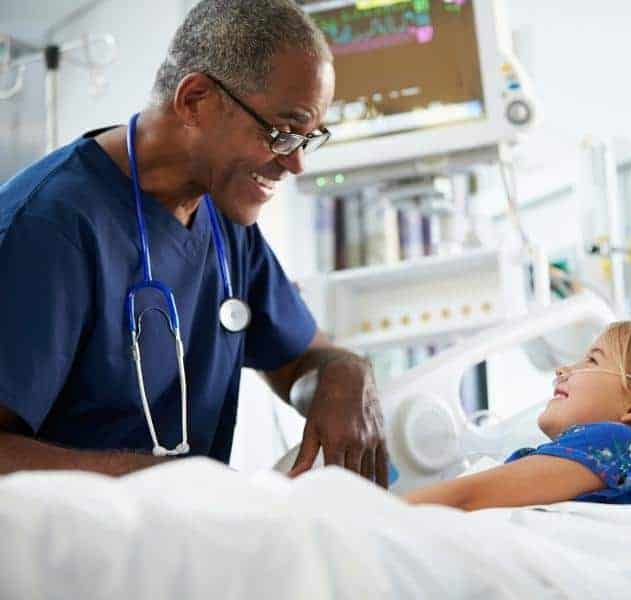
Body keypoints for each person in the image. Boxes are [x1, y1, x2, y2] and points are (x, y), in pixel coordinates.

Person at [0, 0, 389, 485]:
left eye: (308, 139)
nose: (294, 165)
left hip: (182, 540)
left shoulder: (225, 221)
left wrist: (344, 375)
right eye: (283, 133)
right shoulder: (50, 228)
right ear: (196, 101)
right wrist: (152, 482)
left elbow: (303, 359)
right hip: (67, 553)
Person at [404, 320, 631, 510]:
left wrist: (376, 513)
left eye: (592, 360)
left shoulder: (617, 446)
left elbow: (468, 497)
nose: (565, 368)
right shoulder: (628, 463)